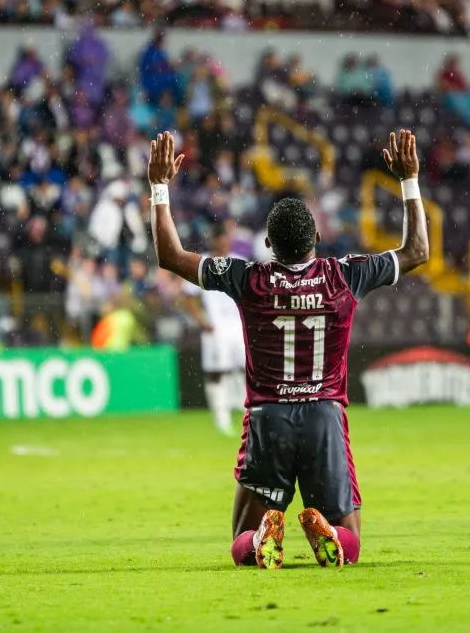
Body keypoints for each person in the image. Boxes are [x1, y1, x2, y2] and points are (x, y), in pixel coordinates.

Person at [148, 130, 428, 569]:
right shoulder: (344, 276)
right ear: (316, 235)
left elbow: (170, 255)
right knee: (351, 542)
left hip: (269, 419)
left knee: (241, 541)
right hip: (323, 417)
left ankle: (263, 538)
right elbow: (417, 251)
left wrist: (159, 186)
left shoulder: (248, 279)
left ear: (268, 245)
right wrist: (409, 180)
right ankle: (328, 534)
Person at [182, 224, 246, 437]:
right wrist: (201, 321)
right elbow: (188, 297)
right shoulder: (203, 263)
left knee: (245, 369)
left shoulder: (239, 261)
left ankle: (243, 408)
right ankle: (221, 417)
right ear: (214, 241)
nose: (225, 243)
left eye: (227, 239)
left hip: (238, 326)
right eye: (221, 239)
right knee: (217, 372)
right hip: (216, 328)